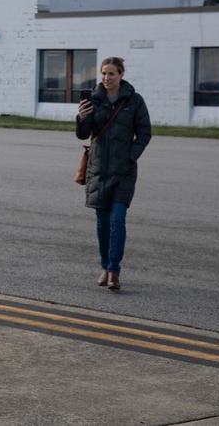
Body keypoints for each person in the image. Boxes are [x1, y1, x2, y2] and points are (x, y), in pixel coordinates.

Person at [75, 56, 151, 291]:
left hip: (124, 171)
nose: (107, 78)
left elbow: (145, 132)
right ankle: (105, 267)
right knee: (102, 224)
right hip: (98, 170)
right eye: (104, 74)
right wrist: (81, 117)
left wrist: (130, 156)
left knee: (117, 220)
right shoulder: (94, 100)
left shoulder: (134, 100)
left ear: (121, 75)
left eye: (112, 74)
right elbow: (82, 135)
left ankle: (114, 272)